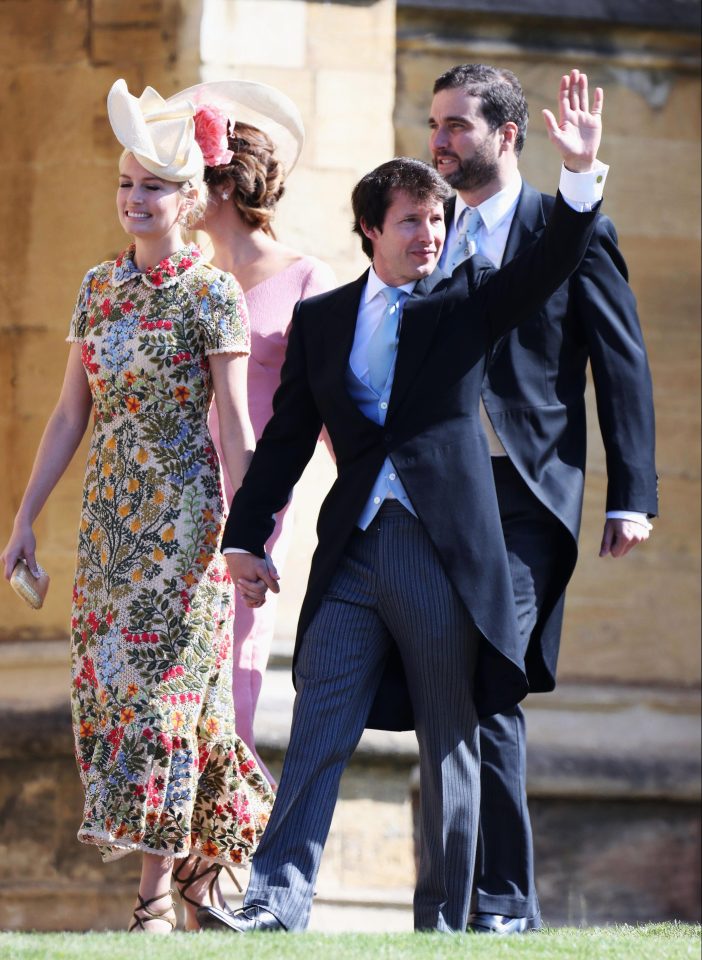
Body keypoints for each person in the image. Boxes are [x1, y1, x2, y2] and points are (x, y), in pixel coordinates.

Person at [195, 69, 607, 935]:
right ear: (371, 231)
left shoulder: (463, 307)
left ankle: (446, 923)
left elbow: (548, 265)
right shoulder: (324, 321)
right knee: (318, 724)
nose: (432, 233)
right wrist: (247, 536)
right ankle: (276, 899)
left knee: (452, 740)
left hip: (439, 553)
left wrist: (577, 178)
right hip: (353, 550)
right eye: (413, 220)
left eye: (439, 219)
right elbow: (284, 439)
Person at [0, 79, 274, 934]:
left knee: (164, 701)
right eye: (125, 183)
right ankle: (204, 860)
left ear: (191, 199)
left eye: (153, 184)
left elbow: (234, 427)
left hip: (186, 531)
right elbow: (68, 414)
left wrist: (249, 533)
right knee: (114, 698)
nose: (135, 198)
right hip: (109, 530)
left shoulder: (211, 292)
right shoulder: (96, 288)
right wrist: (23, 518)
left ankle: (153, 897)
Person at [427, 63, 658, 934]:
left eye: (456, 125)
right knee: (446, 684)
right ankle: (451, 898)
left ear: (507, 135)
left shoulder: (570, 229)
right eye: (435, 123)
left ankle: (502, 903)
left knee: (492, 676)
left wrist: (632, 492)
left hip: (528, 493)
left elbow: (621, 359)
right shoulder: (427, 229)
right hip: (439, 492)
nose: (440, 140)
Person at [167, 80, 336, 786]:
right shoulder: (189, 280)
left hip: (253, 500)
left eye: (185, 177)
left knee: (234, 670)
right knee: (174, 678)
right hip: (174, 500)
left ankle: (226, 853)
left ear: (221, 187)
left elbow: (334, 407)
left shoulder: (304, 277)